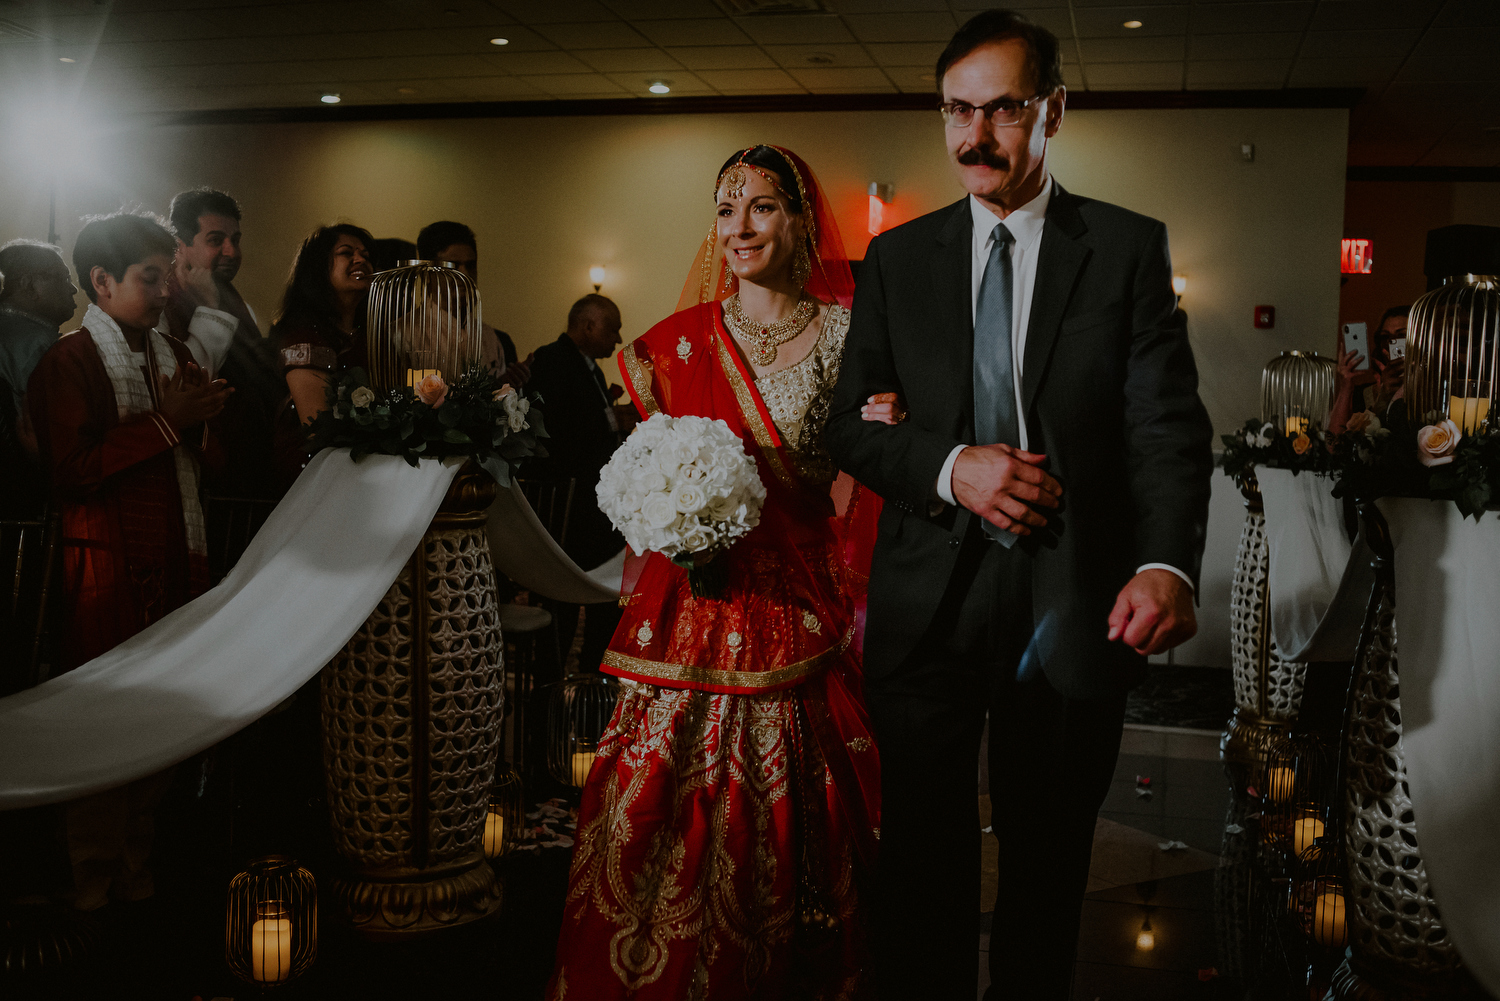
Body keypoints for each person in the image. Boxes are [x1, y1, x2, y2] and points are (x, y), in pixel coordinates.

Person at [824, 10, 1214, 1000]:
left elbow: (1165, 429)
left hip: (1071, 598)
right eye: (958, 110)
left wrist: (1165, 565)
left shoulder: (1124, 250)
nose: (975, 137)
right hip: (926, 607)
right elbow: (850, 425)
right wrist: (953, 464)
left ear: (1053, 111)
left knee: (1048, 865)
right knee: (922, 866)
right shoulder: (899, 260)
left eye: (1003, 109)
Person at [547, 146, 879, 999]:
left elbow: (869, 465)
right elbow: (651, 467)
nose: (739, 227)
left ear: (800, 221)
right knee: (656, 804)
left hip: (796, 608)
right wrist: (675, 518)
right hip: (692, 606)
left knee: (793, 812)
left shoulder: (850, 336)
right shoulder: (676, 343)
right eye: (726, 208)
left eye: (762, 207)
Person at [524, 294, 630, 672]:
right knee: (564, 602)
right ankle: (556, 680)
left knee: (604, 598)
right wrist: (610, 423)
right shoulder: (552, 360)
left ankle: (594, 672)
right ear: (588, 325)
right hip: (569, 508)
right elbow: (551, 428)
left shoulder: (591, 369)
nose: (617, 339)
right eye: (612, 328)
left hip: (593, 506)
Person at [164, 188, 286, 501]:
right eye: (216, 240)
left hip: (249, 466)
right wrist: (210, 309)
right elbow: (188, 382)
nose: (232, 252)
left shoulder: (233, 298)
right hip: (204, 472)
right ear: (180, 246)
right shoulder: (162, 301)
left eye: (236, 239)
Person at [269, 224, 374, 485]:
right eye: (346, 253)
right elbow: (319, 428)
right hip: (314, 471)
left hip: (363, 464)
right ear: (318, 266)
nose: (361, 259)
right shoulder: (302, 335)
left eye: (366, 255)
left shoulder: (371, 336)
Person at [0, 240, 77, 515]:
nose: (73, 288)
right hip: (25, 496)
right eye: (64, 278)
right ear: (30, 285)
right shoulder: (42, 346)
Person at [416, 220, 531, 387]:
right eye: (453, 266)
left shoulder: (494, 339)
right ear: (428, 274)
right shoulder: (404, 335)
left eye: (470, 265)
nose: (465, 274)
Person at [1329, 305, 1408, 434]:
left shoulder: (1428, 392)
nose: (1392, 342)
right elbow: (1334, 444)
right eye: (1385, 336)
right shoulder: (1363, 394)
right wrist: (1346, 386)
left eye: (1401, 335)